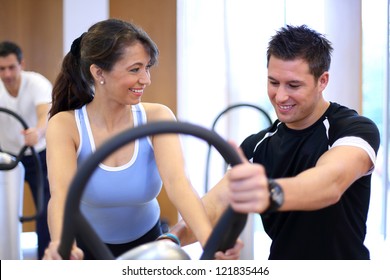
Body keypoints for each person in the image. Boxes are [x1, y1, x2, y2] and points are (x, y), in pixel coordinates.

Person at [169, 24, 380, 260]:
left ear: (322, 81)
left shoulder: (354, 129)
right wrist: (171, 239)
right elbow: (214, 207)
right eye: (273, 82)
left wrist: (270, 193)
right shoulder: (256, 147)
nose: (280, 96)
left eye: (293, 85)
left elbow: (329, 183)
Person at [42, 18, 215, 260]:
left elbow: (179, 184)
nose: (146, 79)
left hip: (147, 244)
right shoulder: (65, 125)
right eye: (135, 69)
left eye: (147, 68)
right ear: (98, 72)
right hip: (87, 246)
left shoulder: (157, 116)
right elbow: (61, 196)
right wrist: (62, 243)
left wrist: (210, 241)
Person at [0, 41, 52, 260]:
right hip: (7, 158)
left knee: (46, 210)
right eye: (2, 69)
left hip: (38, 154)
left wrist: (38, 132)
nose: (7, 74)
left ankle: (46, 261)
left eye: (12, 67)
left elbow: (46, 113)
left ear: (22, 64)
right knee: (6, 212)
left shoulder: (36, 83)